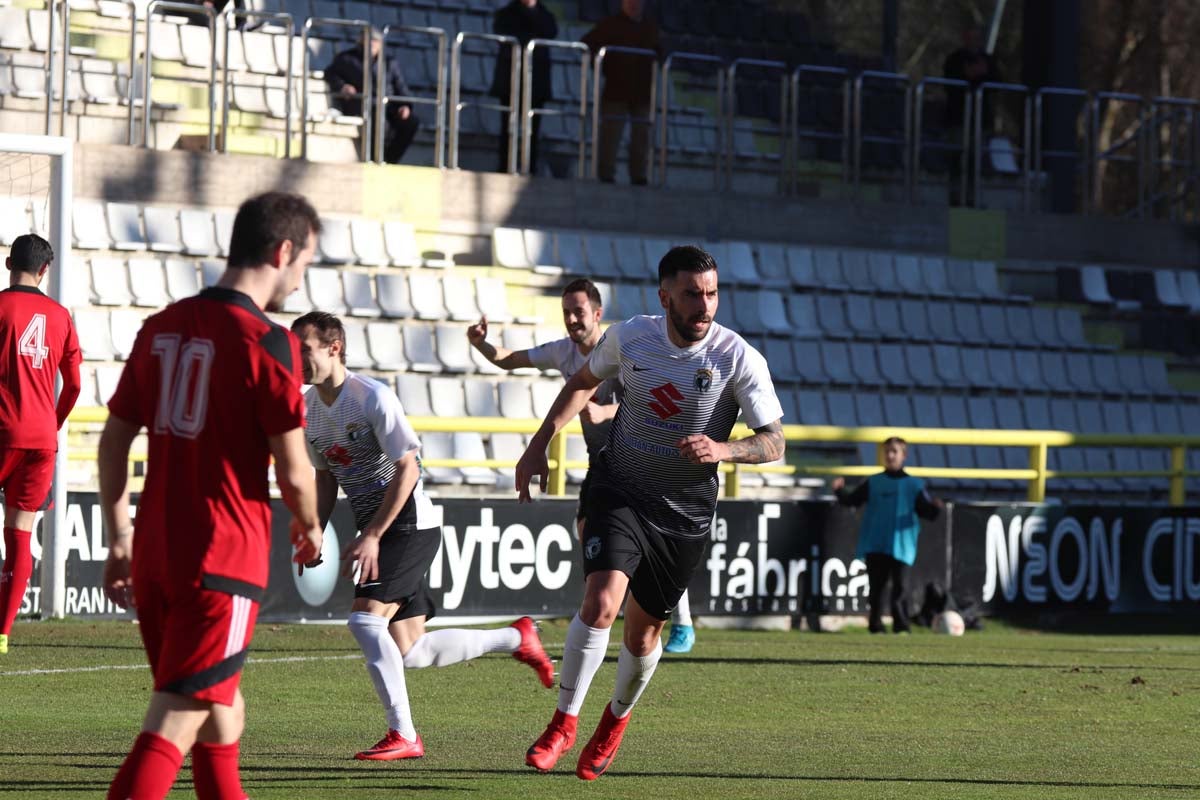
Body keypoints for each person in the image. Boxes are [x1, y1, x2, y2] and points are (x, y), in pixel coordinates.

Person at [514, 245, 785, 780]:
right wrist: (539, 442)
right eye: (691, 294)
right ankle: (563, 721)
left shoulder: (738, 358)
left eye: (711, 293)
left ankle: (614, 720)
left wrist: (726, 450)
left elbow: (775, 442)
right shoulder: (631, 336)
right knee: (601, 600)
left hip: (682, 513)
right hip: (620, 487)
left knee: (642, 637)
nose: (704, 304)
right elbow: (583, 381)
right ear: (665, 297)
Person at [100, 192, 324, 800]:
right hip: (221, 561)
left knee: (222, 713)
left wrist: (120, 536)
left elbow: (114, 440)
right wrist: (309, 525)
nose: (300, 282)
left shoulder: (161, 326)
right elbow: (297, 471)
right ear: (283, 251)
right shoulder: (267, 342)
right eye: (304, 264)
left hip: (156, 556)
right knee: (178, 715)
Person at [292, 311, 554, 761]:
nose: (296, 358)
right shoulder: (307, 409)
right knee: (410, 651)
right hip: (381, 527)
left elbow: (410, 468)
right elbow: (325, 476)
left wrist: (373, 533)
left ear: (334, 348)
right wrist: (313, 527)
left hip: (409, 522)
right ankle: (517, 637)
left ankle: (405, 734)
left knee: (364, 621)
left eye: (305, 349)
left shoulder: (371, 397)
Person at [466, 280, 698, 654]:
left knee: (654, 542)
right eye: (566, 313)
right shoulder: (563, 352)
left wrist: (606, 411)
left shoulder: (622, 350)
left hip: (641, 459)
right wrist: (480, 344)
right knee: (587, 529)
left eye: (578, 312)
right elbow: (511, 359)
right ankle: (603, 609)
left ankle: (681, 623)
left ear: (597, 314)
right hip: (602, 462)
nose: (572, 319)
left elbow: (655, 403)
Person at [0, 233, 81, 655]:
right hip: (40, 440)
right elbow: (76, 384)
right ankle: (2, 633)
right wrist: (53, 423)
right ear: (45, 271)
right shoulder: (62, 316)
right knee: (20, 535)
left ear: (9, 262)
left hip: (2, 431)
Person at [831, 437, 944, 634]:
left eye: (895, 451)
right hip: (876, 542)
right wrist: (839, 491)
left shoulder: (914, 485)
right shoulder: (873, 482)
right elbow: (852, 500)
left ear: (904, 455)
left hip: (902, 544)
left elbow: (926, 511)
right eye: (887, 451)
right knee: (876, 589)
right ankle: (876, 626)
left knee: (900, 588)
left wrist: (935, 508)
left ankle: (901, 626)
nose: (890, 455)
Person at [581, 0, 661, 185]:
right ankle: (606, 173)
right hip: (616, 89)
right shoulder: (610, 25)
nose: (634, 4)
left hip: (642, 91)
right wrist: (603, 66)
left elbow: (661, 51)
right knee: (610, 133)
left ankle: (639, 175)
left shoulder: (650, 28)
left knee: (641, 134)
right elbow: (587, 45)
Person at [326, 28, 419, 164]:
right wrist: (342, 86)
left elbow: (401, 87)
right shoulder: (347, 59)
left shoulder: (389, 63)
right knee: (376, 115)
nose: (372, 44)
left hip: (388, 106)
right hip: (361, 104)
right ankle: (375, 158)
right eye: (369, 40)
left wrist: (405, 105)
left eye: (375, 41)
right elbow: (330, 73)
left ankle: (390, 159)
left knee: (411, 122)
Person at [491, 0, 558, 174]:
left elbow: (551, 32)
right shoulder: (507, 14)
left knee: (533, 129)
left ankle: (530, 166)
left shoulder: (545, 15)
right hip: (510, 80)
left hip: (536, 82)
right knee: (508, 126)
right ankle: (505, 166)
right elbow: (504, 33)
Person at [942, 27, 1001, 206]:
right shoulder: (954, 60)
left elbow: (997, 82)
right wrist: (970, 75)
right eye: (970, 38)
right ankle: (954, 195)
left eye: (976, 38)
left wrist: (981, 75)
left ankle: (972, 197)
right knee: (957, 157)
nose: (973, 42)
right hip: (958, 119)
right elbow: (951, 84)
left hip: (980, 120)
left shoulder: (988, 61)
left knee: (975, 159)